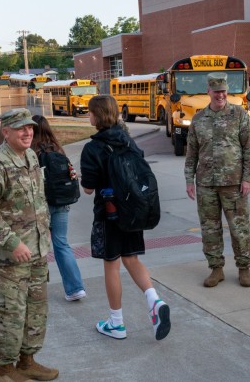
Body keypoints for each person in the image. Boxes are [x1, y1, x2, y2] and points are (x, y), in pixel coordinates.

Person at [0, 108, 58, 382]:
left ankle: (27, 361)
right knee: (9, 313)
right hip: (7, 260)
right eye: (21, 128)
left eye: (30, 128)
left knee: (36, 310)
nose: (28, 132)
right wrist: (13, 243)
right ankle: (5, 371)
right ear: (6, 132)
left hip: (36, 252)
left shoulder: (31, 156)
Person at [80, 94, 171, 341]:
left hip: (108, 214)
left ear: (97, 115)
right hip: (132, 212)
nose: (88, 116)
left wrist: (81, 179)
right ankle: (154, 299)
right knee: (132, 259)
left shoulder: (93, 148)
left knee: (111, 264)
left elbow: (88, 188)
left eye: (90, 112)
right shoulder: (128, 141)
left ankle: (116, 323)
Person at [184, 72, 250, 288]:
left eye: (224, 91)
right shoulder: (198, 119)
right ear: (208, 91)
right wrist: (189, 180)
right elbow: (192, 154)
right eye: (216, 91)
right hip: (206, 183)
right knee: (210, 229)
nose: (221, 95)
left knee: (239, 228)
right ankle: (216, 269)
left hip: (234, 183)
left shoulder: (239, 115)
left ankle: (244, 268)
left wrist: (247, 178)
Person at [31, 114, 86, 302]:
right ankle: (75, 288)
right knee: (61, 244)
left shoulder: (31, 152)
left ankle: (35, 290)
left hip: (40, 206)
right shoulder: (57, 149)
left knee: (37, 246)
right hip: (61, 203)